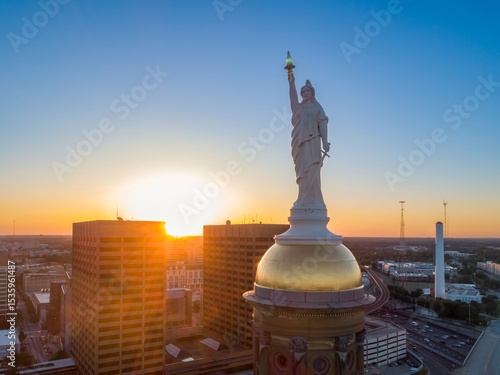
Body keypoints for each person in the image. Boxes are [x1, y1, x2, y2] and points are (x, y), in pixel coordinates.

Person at [288, 73, 330, 209]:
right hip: (298, 142)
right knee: (301, 172)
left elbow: (322, 124)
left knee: (312, 170)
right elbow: (292, 98)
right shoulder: (298, 108)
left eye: (308, 91)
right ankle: (302, 198)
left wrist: (325, 142)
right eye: (303, 91)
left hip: (312, 142)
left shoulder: (317, 108)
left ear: (312, 93)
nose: (305, 93)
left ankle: (315, 202)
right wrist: (291, 82)